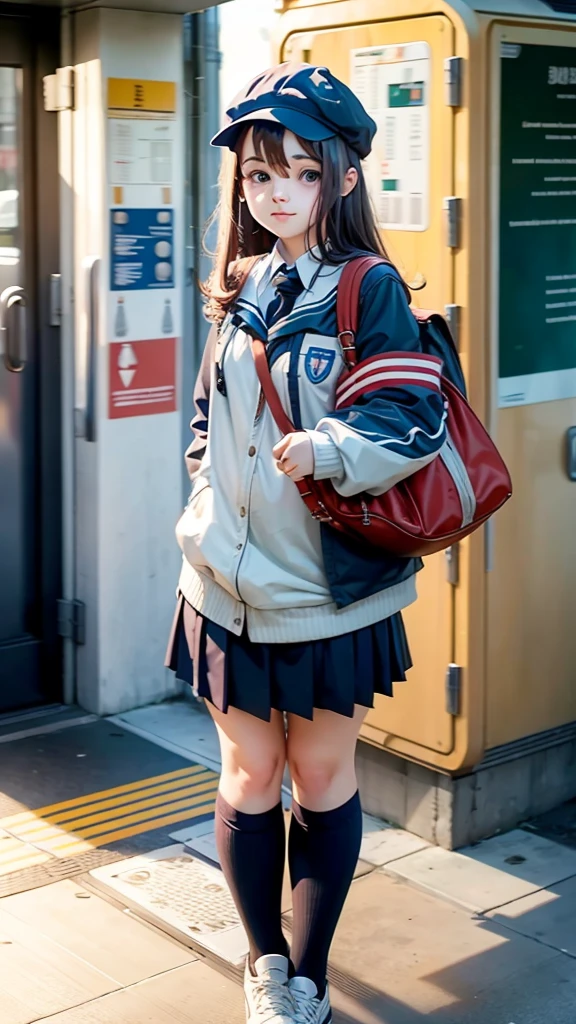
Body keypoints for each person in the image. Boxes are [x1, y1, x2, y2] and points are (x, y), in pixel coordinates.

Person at [166, 63, 447, 1024]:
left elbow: (416, 422)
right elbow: (205, 417)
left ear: (341, 178)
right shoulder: (244, 281)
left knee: (321, 777)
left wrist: (326, 448)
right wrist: (207, 486)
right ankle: (265, 964)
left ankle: (313, 975)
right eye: (257, 175)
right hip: (222, 587)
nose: (277, 192)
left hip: (328, 595)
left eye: (298, 172)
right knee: (248, 777)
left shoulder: (369, 290)